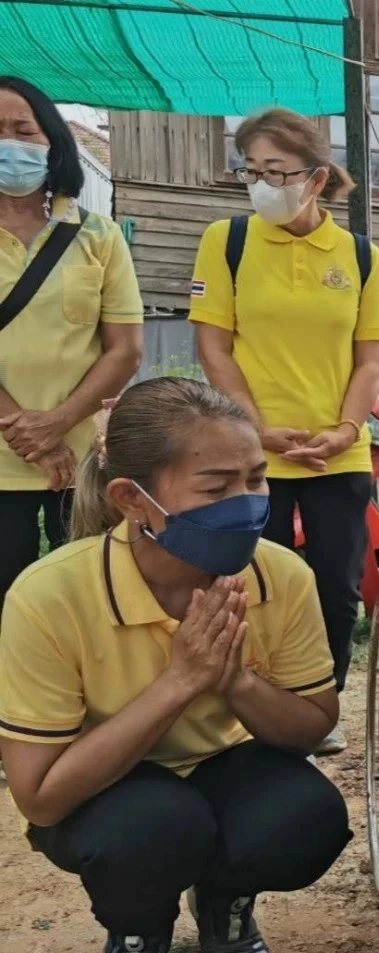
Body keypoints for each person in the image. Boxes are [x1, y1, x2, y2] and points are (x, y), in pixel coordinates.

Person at [0, 378, 351, 953]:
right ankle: (137, 934)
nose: (247, 505)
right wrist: (179, 682)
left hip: (226, 767)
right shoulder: (49, 596)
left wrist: (235, 681)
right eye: (215, 489)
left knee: (305, 818)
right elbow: (40, 797)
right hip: (109, 789)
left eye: (256, 480)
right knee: (153, 829)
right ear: (132, 499)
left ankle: (224, 899)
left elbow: (312, 726)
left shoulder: (280, 575)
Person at [190, 107, 379, 754]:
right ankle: (250, 705)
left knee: (335, 586)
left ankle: (318, 707)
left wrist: (345, 429)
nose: (262, 184)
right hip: (251, 455)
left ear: (316, 178)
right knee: (251, 582)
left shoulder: (359, 256)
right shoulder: (227, 241)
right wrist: (256, 428)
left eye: (276, 172)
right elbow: (214, 347)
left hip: (338, 454)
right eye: (251, 171)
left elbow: (369, 360)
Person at [0, 76, 143, 614]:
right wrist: (35, 438)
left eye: (23, 130)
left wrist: (58, 424)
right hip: (10, 457)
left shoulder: (98, 235)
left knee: (89, 602)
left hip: (81, 462)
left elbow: (124, 349)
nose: (10, 143)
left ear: (53, 142)